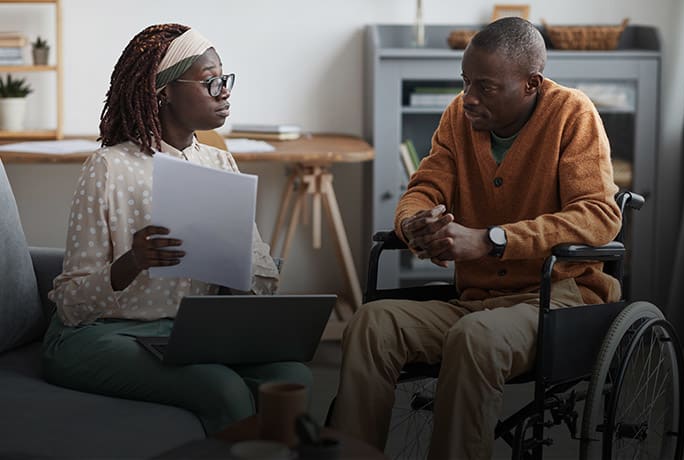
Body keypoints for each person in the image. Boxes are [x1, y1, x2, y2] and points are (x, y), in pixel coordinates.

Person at [330, 17, 622, 459]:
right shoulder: (458, 116)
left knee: (475, 336)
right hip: (475, 300)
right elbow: (424, 187)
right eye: (465, 82)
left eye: (485, 87)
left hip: (558, 298)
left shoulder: (572, 113)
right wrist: (414, 223)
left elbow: (599, 217)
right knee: (372, 324)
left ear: (531, 84)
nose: (468, 97)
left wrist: (493, 239)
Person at [43, 23, 312, 435]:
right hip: (103, 335)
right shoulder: (109, 168)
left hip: (189, 331)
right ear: (164, 90)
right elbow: (71, 305)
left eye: (225, 80)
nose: (225, 93)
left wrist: (240, 266)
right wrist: (133, 261)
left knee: (294, 375)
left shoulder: (220, 164)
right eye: (211, 82)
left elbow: (262, 283)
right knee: (220, 387)